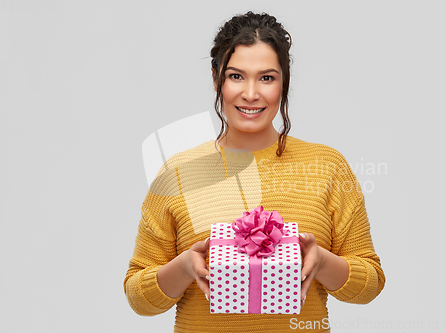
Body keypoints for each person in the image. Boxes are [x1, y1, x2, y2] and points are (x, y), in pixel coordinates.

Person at [124, 11, 385, 332]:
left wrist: (323, 262)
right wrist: (182, 268)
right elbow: (138, 298)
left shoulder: (327, 165)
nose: (250, 93)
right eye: (236, 76)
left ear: (284, 81)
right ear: (215, 77)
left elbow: (370, 283)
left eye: (266, 77)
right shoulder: (177, 172)